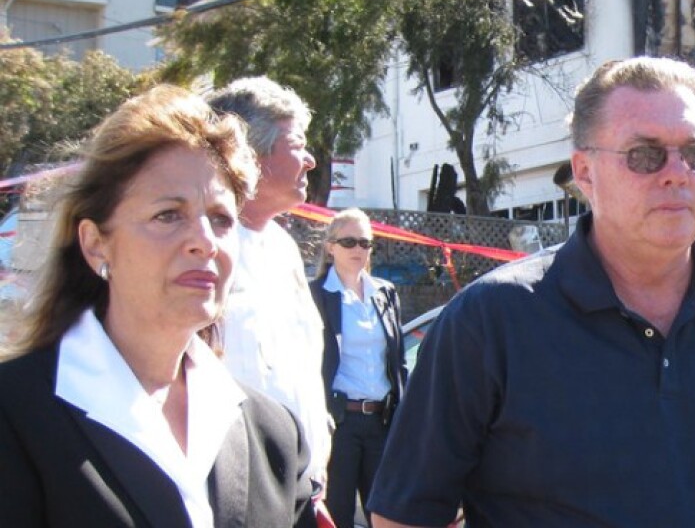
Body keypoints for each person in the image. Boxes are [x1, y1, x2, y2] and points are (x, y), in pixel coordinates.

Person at [368, 57, 695, 527]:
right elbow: (405, 513)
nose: (677, 174)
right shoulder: (488, 323)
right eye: (645, 155)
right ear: (585, 172)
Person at [0, 85, 317, 527]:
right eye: (168, 215)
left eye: (221, 219)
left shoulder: (274, 435)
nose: (204, 242)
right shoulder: (15, 415)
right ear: (95, 244)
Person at [206, 77, 333, 499]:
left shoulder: (283, 248)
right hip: (235, 493)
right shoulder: (200, 250)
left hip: (302, 490)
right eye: (297, 145)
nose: (310, 161)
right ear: (250, 153)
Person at [309, 208, 407, 528]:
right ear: (330, 246)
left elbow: (398, 361)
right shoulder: (316, 295)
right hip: (339, 421)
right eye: (349, 242)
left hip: (381, 420)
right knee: (337, 514)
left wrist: (405, 416)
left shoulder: (385, 292)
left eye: (365, 243)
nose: (358, 250)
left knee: (386, 512)